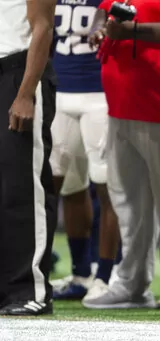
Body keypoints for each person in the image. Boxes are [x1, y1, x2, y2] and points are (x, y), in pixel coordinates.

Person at [82, 0, 160, 310]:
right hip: (121, 101)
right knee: (128, 202)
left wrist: (134, 31)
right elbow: (105, 8)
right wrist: (101, 28)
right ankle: (132, 282)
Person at [49, 0, 121, 301]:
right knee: (65, 185)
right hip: (59, 92)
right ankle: (80, 271)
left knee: (106, 188)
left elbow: (112, 21)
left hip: (99, 94)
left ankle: (105, 274)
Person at [0, 0, 58, 315]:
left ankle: (30, 288)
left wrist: (25, 93)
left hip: (18, 75)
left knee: (23, 186)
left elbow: (43, 26)